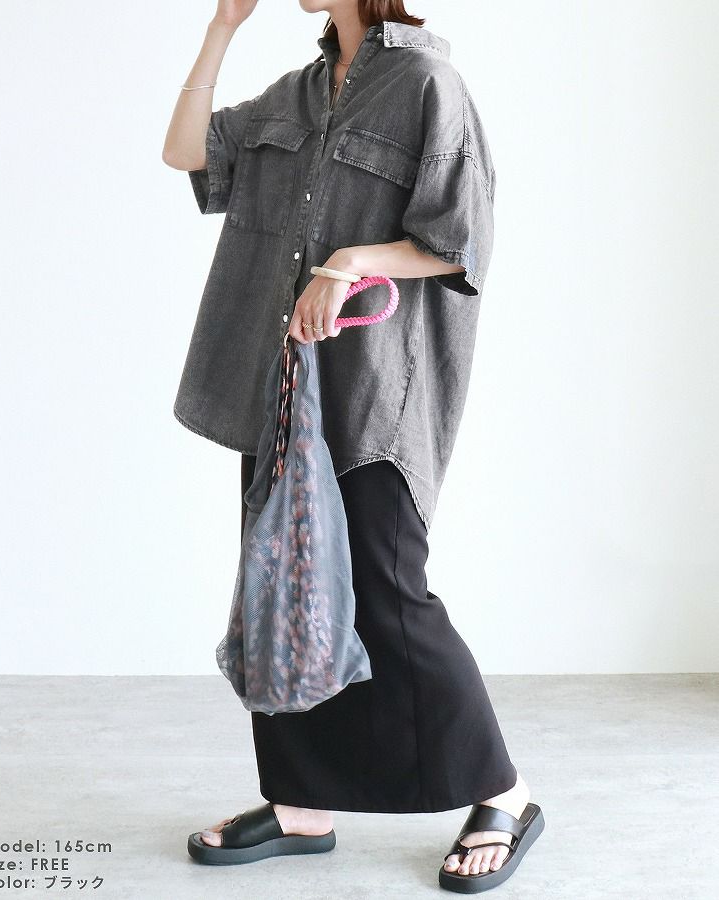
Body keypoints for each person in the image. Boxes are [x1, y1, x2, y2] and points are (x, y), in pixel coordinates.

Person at [162, 0, 545, 892]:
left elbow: (460, 243)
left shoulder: (427, 84)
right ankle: (301, 802)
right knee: (285, 584)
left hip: (379, 390)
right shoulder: (296, 94)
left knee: (386, 591)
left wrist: (351, 261)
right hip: (282, 386)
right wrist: (222, 28)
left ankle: (505, 791)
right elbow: (186, 154)